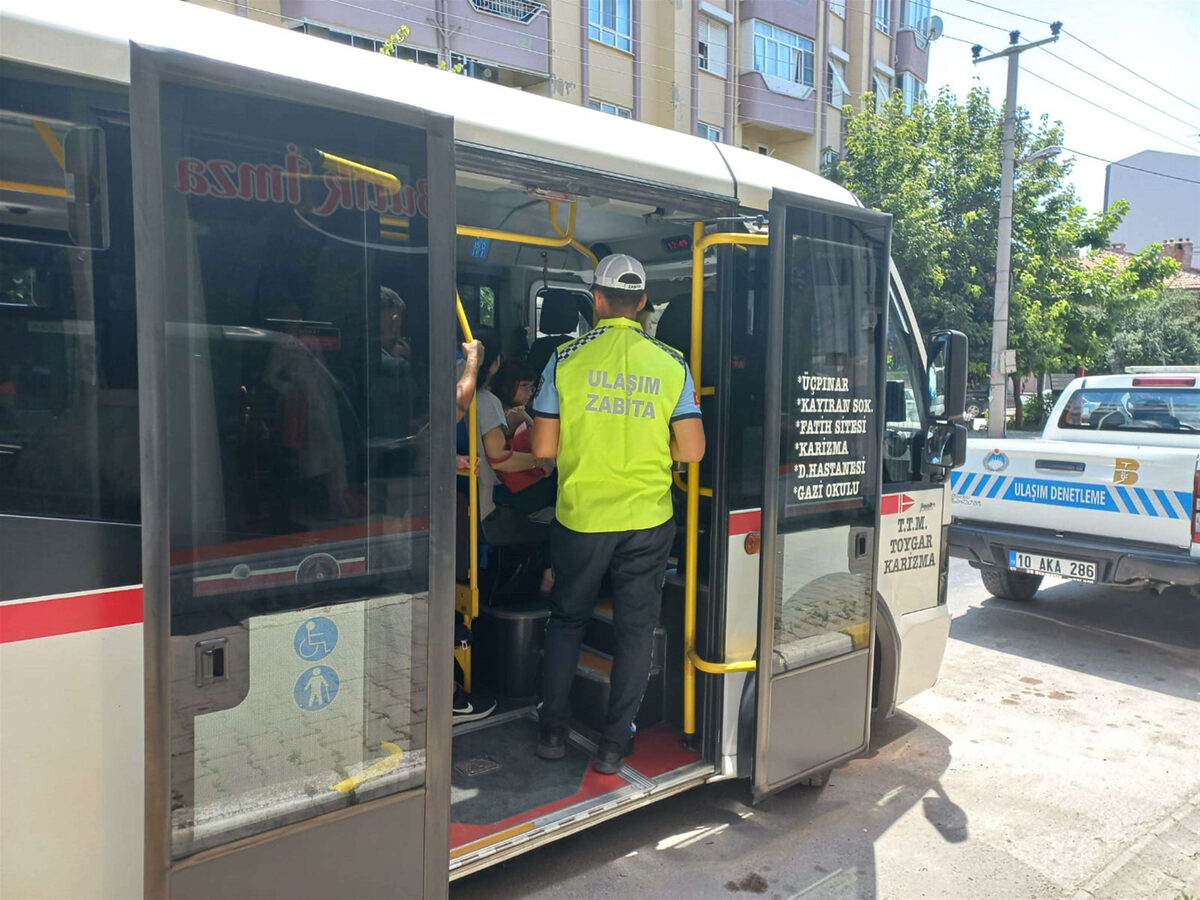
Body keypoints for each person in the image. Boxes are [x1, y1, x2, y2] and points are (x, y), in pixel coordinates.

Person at [530, 254, 705, 773]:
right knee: (634, 630)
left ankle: (553, 732)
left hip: (581, 516)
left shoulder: (564, 358)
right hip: (648, 520)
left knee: (566, 621)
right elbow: (692, 450)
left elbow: (542, 446)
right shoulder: (672, 362)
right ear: (644, 302)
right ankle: (612, 745)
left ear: (598, 300)